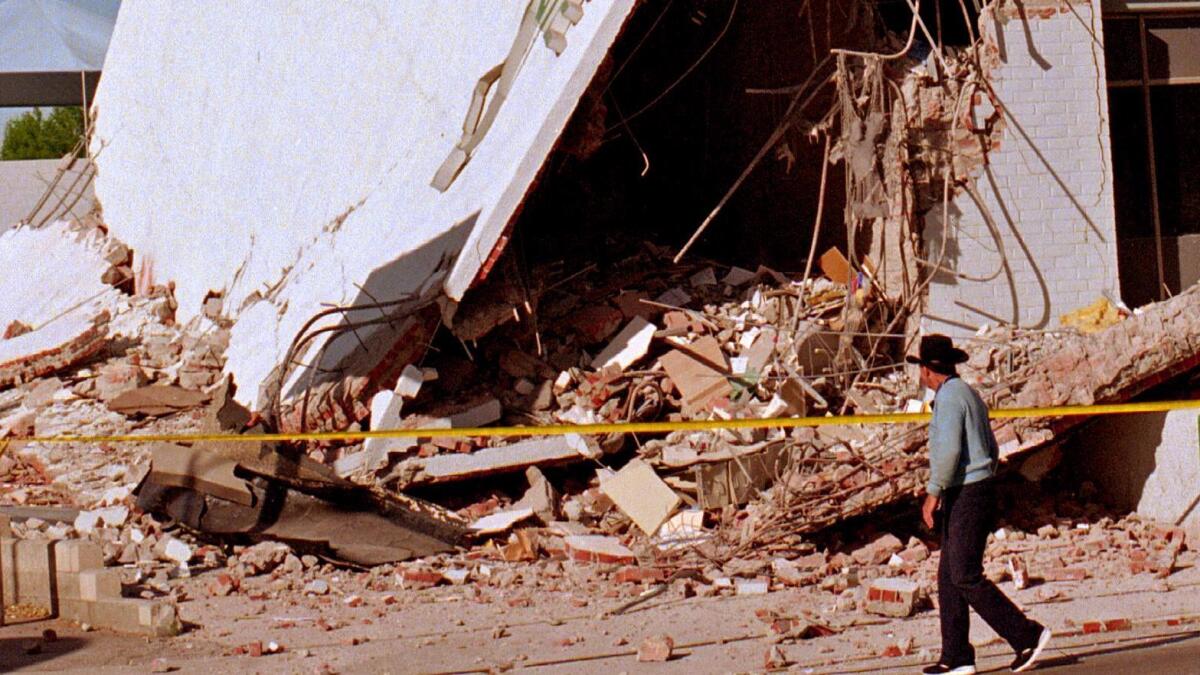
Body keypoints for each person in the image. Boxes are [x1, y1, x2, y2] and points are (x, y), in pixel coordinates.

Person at [908, 334, 1052, 674]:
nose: (920, 376)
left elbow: (949, 452)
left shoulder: (949, 399)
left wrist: (933, 493)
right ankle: (956, 656)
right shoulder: (968, 394)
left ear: (929, 371)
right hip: (977, 488)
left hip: (967, 494)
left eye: (921, 369)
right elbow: (991, 446)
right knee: (948, 577)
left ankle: (1027, 635)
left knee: (965, 575)